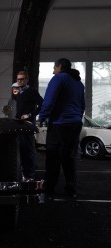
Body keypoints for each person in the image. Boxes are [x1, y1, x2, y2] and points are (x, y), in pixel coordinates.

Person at [38, 58, 85, 198]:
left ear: (59, 67)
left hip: (60, 124)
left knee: (53, 157)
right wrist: (76, 117)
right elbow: (82, 105)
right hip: (75, 123)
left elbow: (49, 99)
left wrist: (42, 117)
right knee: (69, 157)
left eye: (54, 68)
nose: (53, 71)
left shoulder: (58, 78)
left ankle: (49, 188)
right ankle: (71, 189)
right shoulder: (78, 83)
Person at [15, 71, 43, 181]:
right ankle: (25, 173)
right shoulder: (19, 92)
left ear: (27, 80)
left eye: (22, 79)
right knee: (21, 149)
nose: (20, 81)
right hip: (18, 124)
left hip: (27, 125)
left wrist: (30, 115)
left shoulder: (32, 92)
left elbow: (42, 104)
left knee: (28, 150)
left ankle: (30, 175)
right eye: (18, 79)